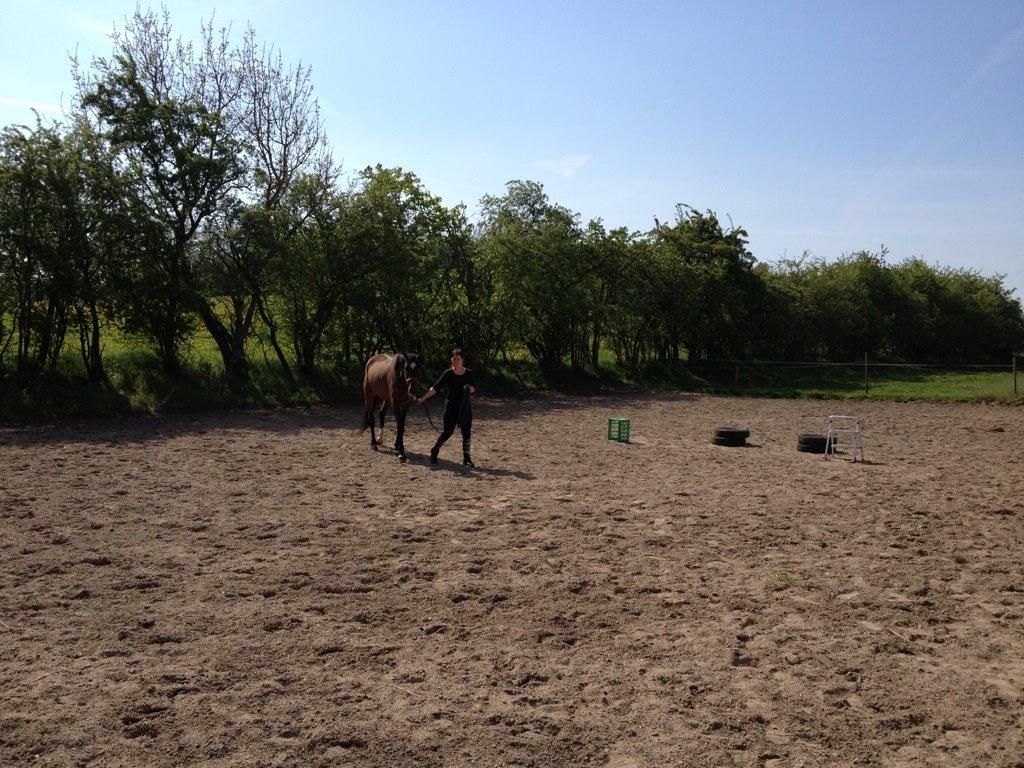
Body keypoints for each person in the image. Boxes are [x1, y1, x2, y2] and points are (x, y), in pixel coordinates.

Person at [417, 348, 476, 467]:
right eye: (454, 359)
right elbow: (436, 388)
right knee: (448, 432)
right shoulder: (448, 374)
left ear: (462, 360)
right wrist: (424, 397)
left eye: (458, 359)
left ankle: (467, 458)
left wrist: (470, 389)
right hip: (451, 408)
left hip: (464, 408)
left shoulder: (469, 373)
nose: (455, 361)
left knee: (466, 433)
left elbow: (474, 388)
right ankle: (435, 450)